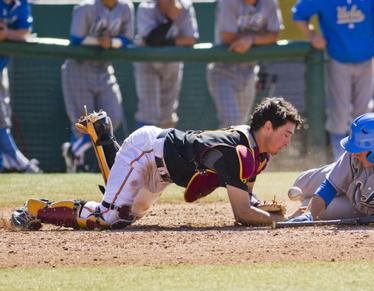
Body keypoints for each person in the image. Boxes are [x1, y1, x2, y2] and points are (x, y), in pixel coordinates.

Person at [10, 98, 303, 230]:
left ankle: (105, 137)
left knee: (125, 217)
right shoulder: (237, 150)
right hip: (148, 150)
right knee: (109, 217)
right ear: (267, 126)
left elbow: (246, 198)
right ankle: (35, 210)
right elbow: (241, 213)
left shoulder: (258, 154)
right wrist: (280, 221)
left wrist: (262, 207)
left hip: (162, 172)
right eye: (286, 133)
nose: (288, 141)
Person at [292, 0, 374, 159]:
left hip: (367, 59)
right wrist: (313, 35)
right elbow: (299, 14)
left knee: (363, 111)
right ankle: (341, 159)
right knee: (340, 110)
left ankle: (362, 156)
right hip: (337, 59)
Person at [61, 0, 134, 173]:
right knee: (83, 123)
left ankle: (73, 150)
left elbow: (128, 39)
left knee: (112, 118)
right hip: (79, 67)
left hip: (103, 68)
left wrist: (112, 42)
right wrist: (101, 41)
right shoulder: (86, 7)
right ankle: (76, 165)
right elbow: (76, 38)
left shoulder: (125, 7)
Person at [207, 0, 282, 129]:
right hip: (223, 68)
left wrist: (251, 39)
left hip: (250, 69)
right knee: (232, 122)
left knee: (240, 125)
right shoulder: (227, 2)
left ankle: (226, 149)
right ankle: (220, 149)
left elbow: (275, 34)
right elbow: (228, 36)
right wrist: (261, 37)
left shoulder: (269, 2)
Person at [133, 0, 198, 129]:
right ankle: (143, 148)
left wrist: (165, 42)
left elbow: (190, 39)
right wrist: (170, 18)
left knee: (168, 114)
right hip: (148, 62)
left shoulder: (184, 6)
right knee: (148, 112)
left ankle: (165, 148)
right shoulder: (146, 6)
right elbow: (151, 40)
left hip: (172, 62)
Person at [0, 0, 40, 173]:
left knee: (2, 117)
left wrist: (6, 33)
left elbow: (25, 33)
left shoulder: (21, 3)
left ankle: (11, 161)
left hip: (2, 66)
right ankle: (19, 162)